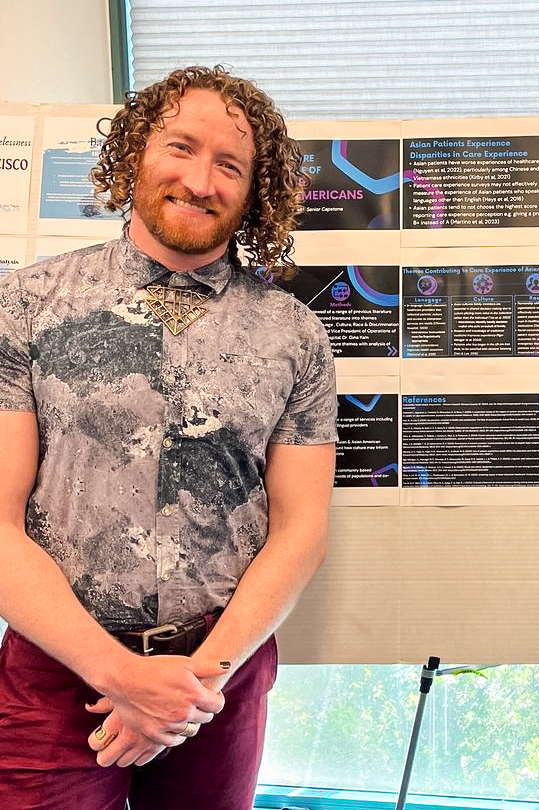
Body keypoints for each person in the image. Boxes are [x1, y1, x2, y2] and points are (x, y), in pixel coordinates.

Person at [0, 66, 337, 808]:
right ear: (134, 156)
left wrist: (191, 688)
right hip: (59, 666)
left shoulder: (296, 335)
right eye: (180, 148)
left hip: (219, 674)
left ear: (255, 192)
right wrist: (120, 677)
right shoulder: (26, 304)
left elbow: (302, 530)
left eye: (230, 165)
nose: (201, 179)